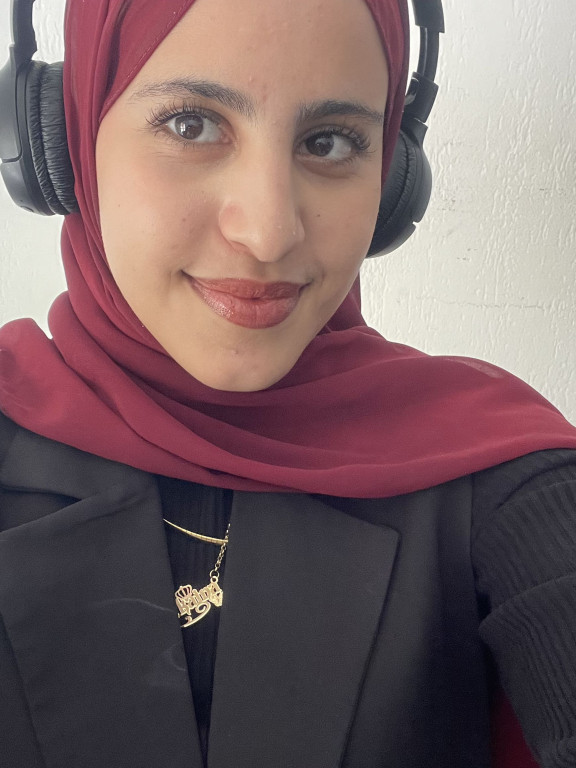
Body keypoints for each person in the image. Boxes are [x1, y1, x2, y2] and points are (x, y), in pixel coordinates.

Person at [0, 0, 575, 766]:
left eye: (329, 141)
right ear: (68, 141)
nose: (269, 232)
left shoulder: (506, 473)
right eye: (191, 125)